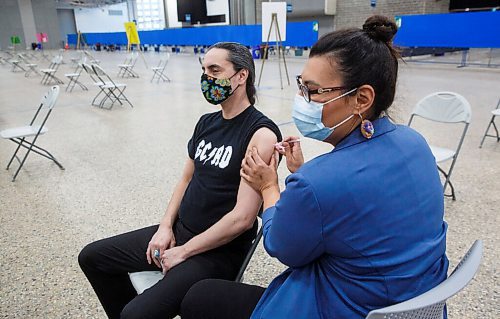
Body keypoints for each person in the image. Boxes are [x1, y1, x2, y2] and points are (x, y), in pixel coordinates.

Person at [180, 15, 449, 319]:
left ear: (361, 98)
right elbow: (355, 205)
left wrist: (269, 187)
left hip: (346, 307)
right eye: (300, 85)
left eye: (312, 90)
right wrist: (302, 173)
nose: (301, 100)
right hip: (414, 300)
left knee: (200, 297)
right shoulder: (414, 142)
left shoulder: (318, 181)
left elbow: (283, 246)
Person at [78, 42, 282, 319]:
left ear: (241, 75)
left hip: (218, 250)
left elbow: (243, 218)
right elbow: (185, 180)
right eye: (203, 70)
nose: (206, 78)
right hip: (181, 231)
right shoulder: (206, 123)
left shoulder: (260, 134)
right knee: (93, 257)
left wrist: (184, 252)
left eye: (214, 69)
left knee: (136, 314)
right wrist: (165, 227)